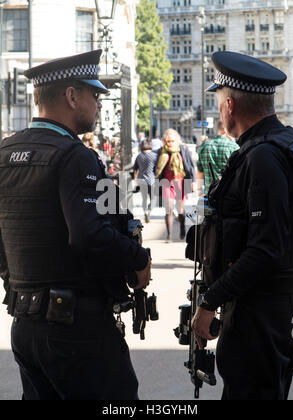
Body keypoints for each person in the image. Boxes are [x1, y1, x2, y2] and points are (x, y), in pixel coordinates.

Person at [0, 49, 151, 400]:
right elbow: (89, 234)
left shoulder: (5, 154)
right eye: (94, 94)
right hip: (76, 329)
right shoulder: (74, 156)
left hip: (25, 324)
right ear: (71, 96)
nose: (98, 103)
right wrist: (138, 259)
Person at [191, 50, 293, 400]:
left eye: (220, 99)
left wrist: (209, 301)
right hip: (273, 306)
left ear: (231, 105)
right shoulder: (279, 144)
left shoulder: (264, 156)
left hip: (262, 311)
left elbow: (267, 248)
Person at [155, 128, 196, 241]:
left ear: (177, 140)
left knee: (180, 210)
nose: (170, 143)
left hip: (180, 182)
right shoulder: (161, 151)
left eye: (172, 141)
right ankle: (169, 235)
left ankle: (182, 227)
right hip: (166, 183)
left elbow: (190, 167)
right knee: (168, 209)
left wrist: (193, 182)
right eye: (168, 141)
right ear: (165, 141)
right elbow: (156, 168)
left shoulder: (183, 149)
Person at [197, 121, 239, 196]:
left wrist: (200, 191)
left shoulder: (204, 146)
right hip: (228, 196)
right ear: (226, 130)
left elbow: (200, 172)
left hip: (209, 194)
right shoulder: (234, 147)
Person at [133, 139, 157, 223]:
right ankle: (149, 211)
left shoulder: (139, 156)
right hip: (152, 179)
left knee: (144, 199)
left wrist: (135, 180)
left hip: (141, 180)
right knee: (153, 199)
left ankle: (145, 211)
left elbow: (135, 168)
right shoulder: (155, 156)